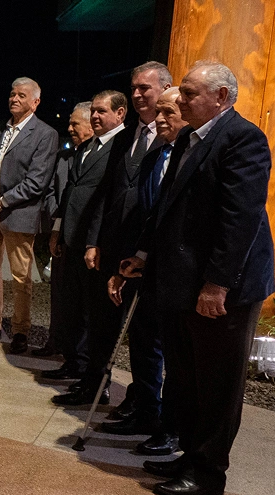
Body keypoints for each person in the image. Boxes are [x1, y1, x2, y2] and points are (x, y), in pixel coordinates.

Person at [120, 61, 274, 495]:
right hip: (181, 282)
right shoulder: (189, 137)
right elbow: (166, 208)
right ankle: (188, 454)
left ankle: (207, 472)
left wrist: (217, 284)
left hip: (223, 289)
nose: (180, 99)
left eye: (189, 93)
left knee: (216, 384)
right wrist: (143, 255)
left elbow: (239, 220)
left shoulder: (243, 139)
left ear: (221, 97)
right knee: (186, 378)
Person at [82, 62, 175, 443]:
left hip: (153, 254)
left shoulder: (174, 138)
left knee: (149, 336)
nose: (137, 94)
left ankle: (149, 407)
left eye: (144, 88)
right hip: (121, 250)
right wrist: (95, 240)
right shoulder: (126, 137)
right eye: (133, 88)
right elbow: (108, 193)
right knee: (126, 331)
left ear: (165, 89)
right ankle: (133, 400)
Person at [100, 86, 184, 456]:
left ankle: (173, 428)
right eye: (158, 112)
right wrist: (137, 257)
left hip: (180, 272)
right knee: (144, 343)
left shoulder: (191, 156)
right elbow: (150, 217)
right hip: (148, 267)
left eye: (169, 113)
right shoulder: (154, 157)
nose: (159, 120)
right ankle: (147, 412)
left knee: (175, 355)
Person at [0, 77, 58, 353]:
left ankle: (20, 331)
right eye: (12, 94)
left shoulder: (45, 134)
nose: (14, 99)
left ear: (35, 102)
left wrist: (1, 203)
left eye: (21, 95)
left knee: (20, 278)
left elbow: (37, 181)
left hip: (19, 213)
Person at [47, 90, 126, 404]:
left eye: (101, 111)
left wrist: (95, 242)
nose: (95, 116)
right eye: (92, 111)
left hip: (97, 248)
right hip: (73, 240)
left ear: (120, 114)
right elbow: (71, 191)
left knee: (98, 317)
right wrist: (58, 230)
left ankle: (96, 383)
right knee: (73, 308)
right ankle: (76, 366)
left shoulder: (122, 147)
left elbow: (108, 201)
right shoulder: (89, 146)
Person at [33, 102, 92, 357]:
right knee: (58, 294)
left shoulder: (101, 158)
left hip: (84, 239)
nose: (69, 128)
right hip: (60, 235)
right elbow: (51, 192)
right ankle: (56, 342)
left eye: (75, 124)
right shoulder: (64, 157)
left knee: (81, 301)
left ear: (91, 125)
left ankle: (77, 353)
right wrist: (57, 225)